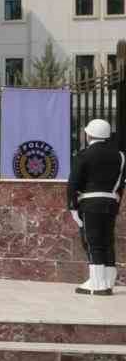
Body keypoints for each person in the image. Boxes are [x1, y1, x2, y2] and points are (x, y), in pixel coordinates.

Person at [69, 118, 124, 295]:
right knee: (107, 241)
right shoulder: (121, 156)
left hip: (90, 203)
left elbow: (74, 183)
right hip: (111, 202)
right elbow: (120, 185)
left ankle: (98, 285)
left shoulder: (84, 155)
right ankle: (107, 281)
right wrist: (116, 203)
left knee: (93, 242)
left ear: (89, 135)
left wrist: (72, 206)